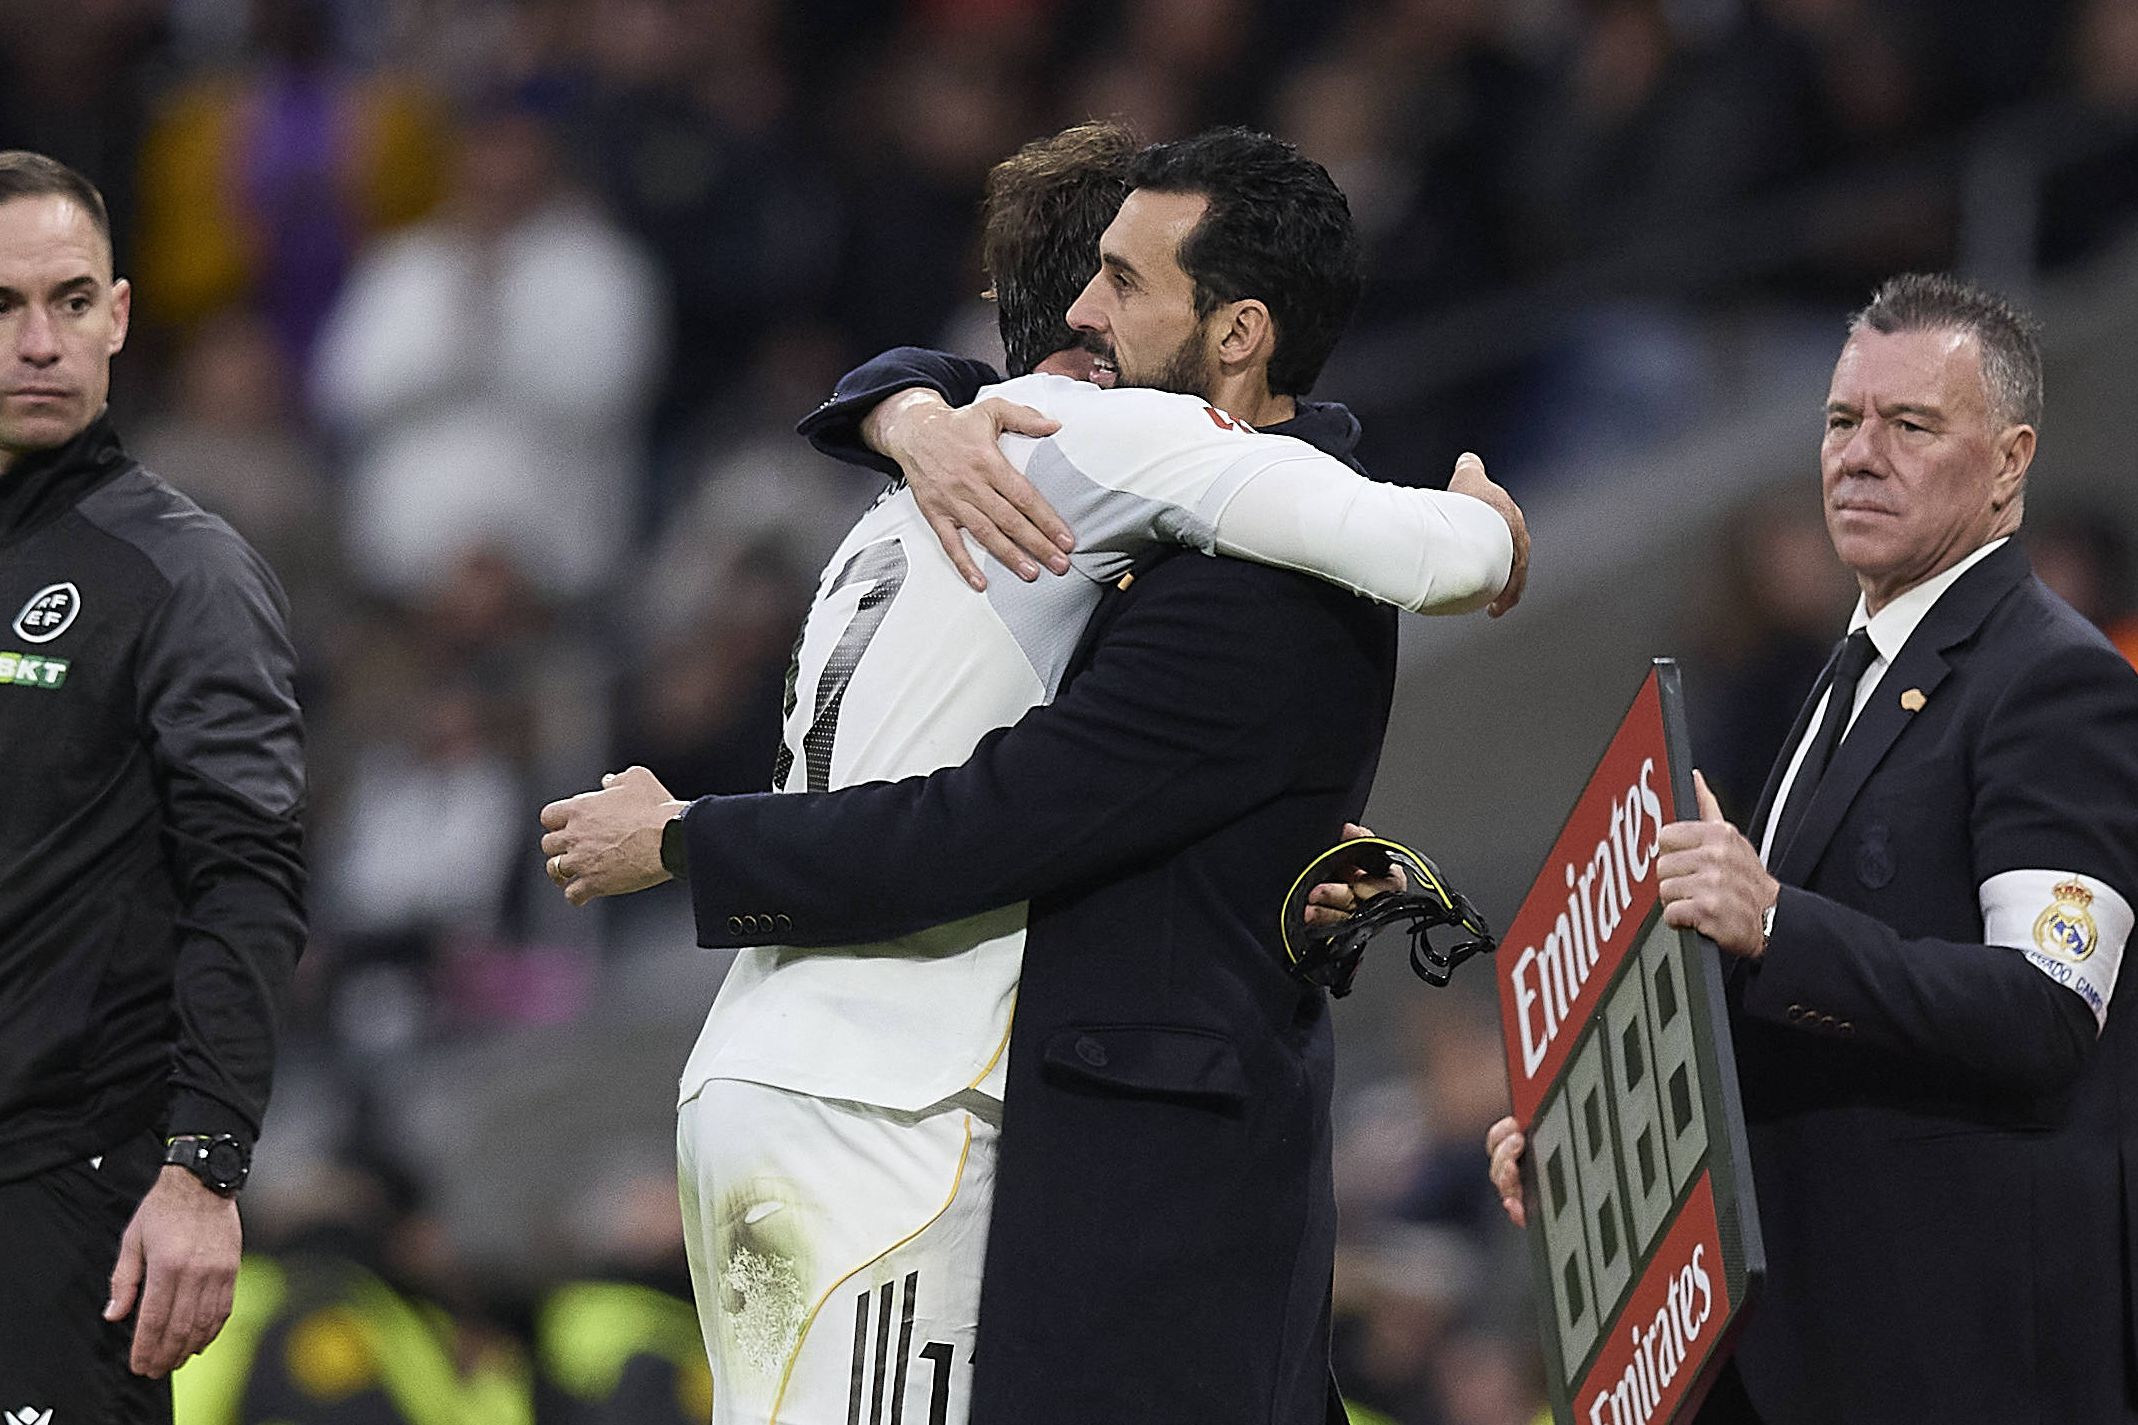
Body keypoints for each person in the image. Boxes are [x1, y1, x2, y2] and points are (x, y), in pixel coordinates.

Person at [541, 125, 1528, 1424]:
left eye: (1120, 282)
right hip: (892, 1101)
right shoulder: (1109, 432)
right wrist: (1489, 523)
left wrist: (896, 404)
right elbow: (1434, 558)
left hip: (751, 1076)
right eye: (1095, 279)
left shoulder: (915, 473)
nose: (1085, 312)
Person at [1485, 273, 2138, 1424]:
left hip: (1951, 1360)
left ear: (2007, 462)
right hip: (1806, 1348)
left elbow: (2043, 1011)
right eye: (1841, 421)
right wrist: (1598, 1147)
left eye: (1910, 425)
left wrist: (1777, 919)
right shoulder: (1845, 677)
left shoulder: (2055, 680)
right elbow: (1783, 1012)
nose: (1858, 455)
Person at [0, 152, 306, 1415]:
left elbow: (253, 878)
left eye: (71, 302)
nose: (39, 343)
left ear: (120, 316)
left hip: (68, 1197)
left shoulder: (184, 575)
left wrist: (204, 1169)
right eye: (2, 308)